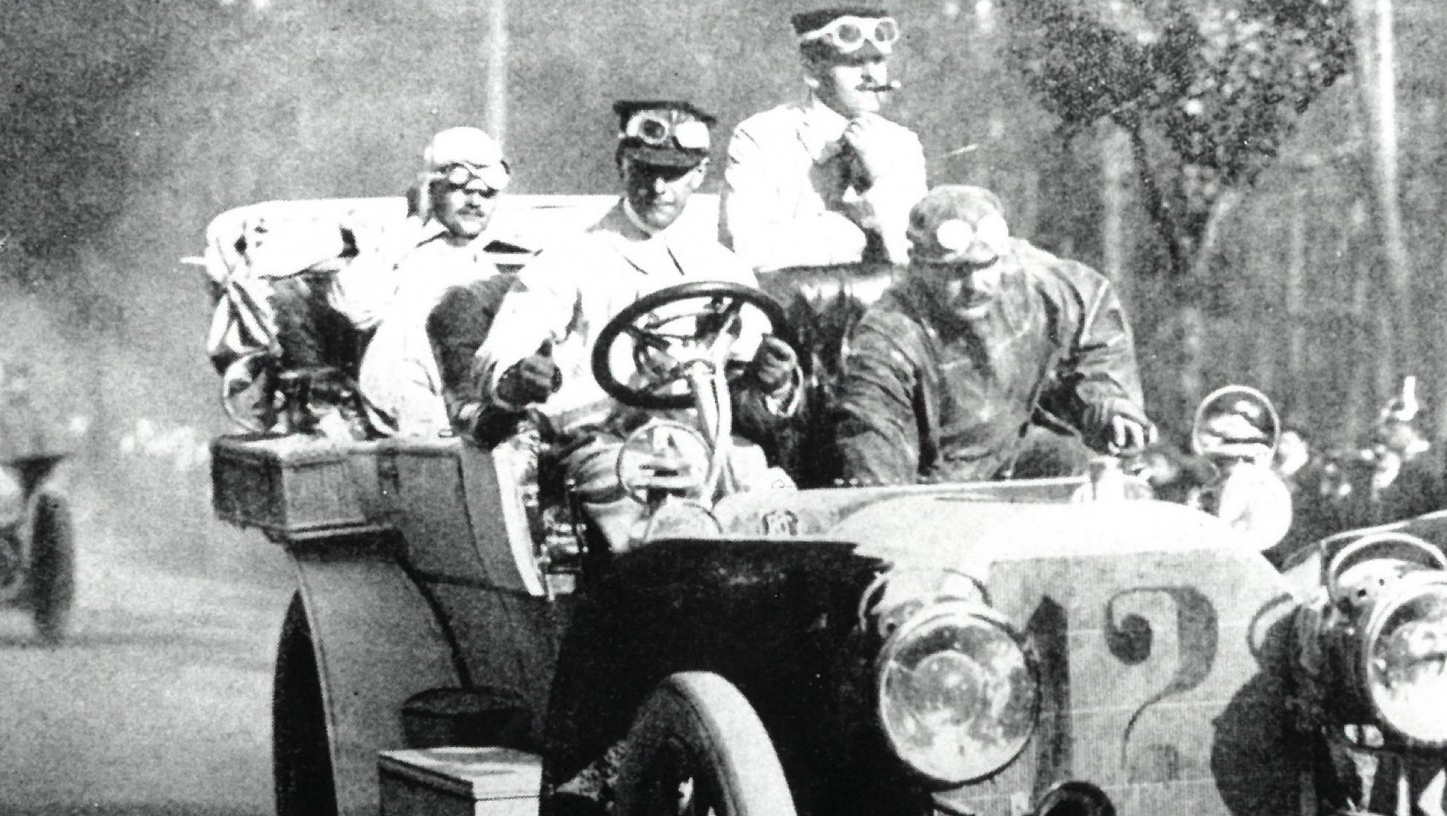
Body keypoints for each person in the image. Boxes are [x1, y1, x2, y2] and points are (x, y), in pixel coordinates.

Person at [472, 100, 800, 498]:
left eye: (674, 174)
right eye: (645, 170)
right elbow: (499, 355)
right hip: (600, 442)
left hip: (703, 438)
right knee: (641, 499)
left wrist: (774, 383)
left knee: (768, 497)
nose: (658, 188)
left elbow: (745, 385)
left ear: (698, 175)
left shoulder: (726, 270)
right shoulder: (569, 259)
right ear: (622, 164)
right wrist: (520, 376)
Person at [833, 185, 1151, 484]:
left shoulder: (1036, 282)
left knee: (1078, 464)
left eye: (985, 265)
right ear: (919, 267)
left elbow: (1093, 312)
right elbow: (876, 455)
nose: (976, 286)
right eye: (957, 272)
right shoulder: (889, 335)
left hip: (1012, 457)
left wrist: (1108, 400)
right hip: (937, 490)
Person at [348, 127, 528, 436]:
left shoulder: (484, 266)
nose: (475, 202)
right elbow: (355, 307)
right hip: (409, 421)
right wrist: (415, 221)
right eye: (461, 189)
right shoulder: (403, 253)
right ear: (432, 191)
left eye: (486, 194)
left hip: (465, 421)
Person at [721, 6, 927, 271]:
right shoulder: (761, 136)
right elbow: (748, 249)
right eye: (853, 62)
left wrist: (879, 180)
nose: (872, 75)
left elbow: (916, 255)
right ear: (812, 70)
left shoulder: (901, 144)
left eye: (878, 61)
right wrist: (857, 230)